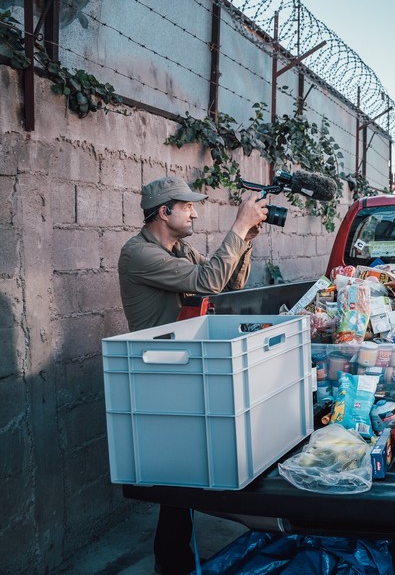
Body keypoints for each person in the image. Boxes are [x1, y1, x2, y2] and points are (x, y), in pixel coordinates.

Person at [117, 176, 268, 574]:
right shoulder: (138, 254)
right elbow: (207, 281)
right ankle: (171, 563)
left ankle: (175, 561)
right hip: (159, 372)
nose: (195, 212)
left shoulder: (179, 248)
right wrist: (235, 227)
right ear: (164, 212)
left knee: (184, 476)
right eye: (187, 207)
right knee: (176, 478)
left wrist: (246, 238)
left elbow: (226, 286)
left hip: (185, 365)